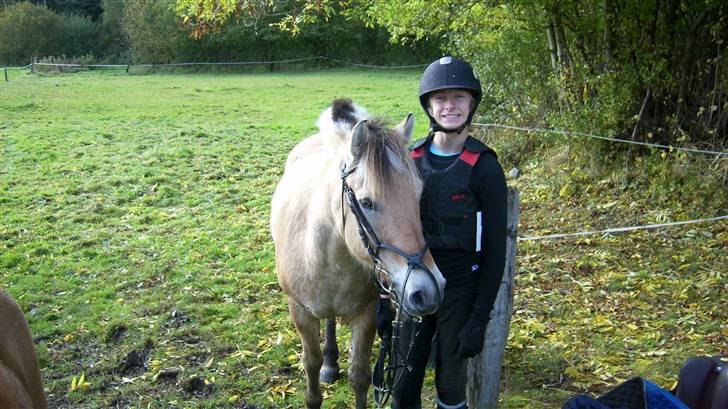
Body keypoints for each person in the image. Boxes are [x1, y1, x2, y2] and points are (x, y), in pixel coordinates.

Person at [377, 56, 507, 409]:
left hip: (461, 289)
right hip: (414, 282)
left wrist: (479, 319)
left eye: (459, 98)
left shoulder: (485, 168)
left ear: (472, 104)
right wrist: (382, 301)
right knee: (403, 384)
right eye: (441, 99)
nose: (449, 106)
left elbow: (496, 252)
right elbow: (385, 232)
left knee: (450, 386)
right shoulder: (409, 159)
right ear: (429, 106)